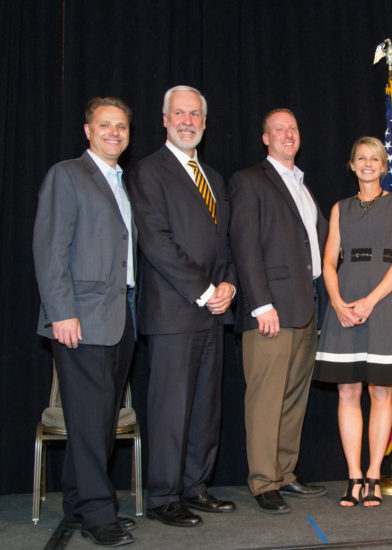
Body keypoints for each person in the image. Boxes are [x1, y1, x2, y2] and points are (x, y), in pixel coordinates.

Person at [129, 85, 236, 527]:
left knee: (206, 407)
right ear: (165, 119)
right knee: (171, 407)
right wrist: (205, 290)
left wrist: (228, 284)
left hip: (214, 312)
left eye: (195, 114)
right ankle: (163, 496)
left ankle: (195, 486)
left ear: (205, 123)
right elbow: (156, 241)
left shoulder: (213, 176)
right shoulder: (148, 171)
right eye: (180, 114)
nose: (188, 121)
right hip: (174, 310)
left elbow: (223, 243)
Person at [33, 96, 137, 546]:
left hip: (122, 316)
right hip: (81, 318)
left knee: (97, 420)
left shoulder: (121, 181)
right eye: (105, 125)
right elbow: (50, 248)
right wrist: (62, 312)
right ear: (87, 130)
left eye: (121, 126)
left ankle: (78, 501)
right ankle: (99, 514)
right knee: (93, 419)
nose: (114, 132)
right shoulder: (67, 175)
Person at [229, 108, 329, 514]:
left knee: (293, 399)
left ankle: (285, 474)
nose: (287, 134)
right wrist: (260, 304)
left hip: (306, 310)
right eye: (278, 130)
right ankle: (262, 481)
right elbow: (244, 246)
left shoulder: (302, 186)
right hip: (270, 311)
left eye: (293, 128)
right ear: (265, 138)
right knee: (266, 399)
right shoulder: (249, 180)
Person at [314, 136, 392, 507]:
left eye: (375, 158)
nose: (368, 163)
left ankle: (374, 475)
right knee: (347, 391)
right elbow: (328, 261)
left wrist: (371, 301)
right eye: (361, 158)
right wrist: (338, 302)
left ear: (385, 166)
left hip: (384, 303)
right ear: (352, 165)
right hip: (344, 301)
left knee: (380, 391)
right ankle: (354, 476)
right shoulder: (340, 207)